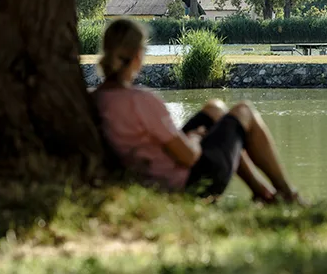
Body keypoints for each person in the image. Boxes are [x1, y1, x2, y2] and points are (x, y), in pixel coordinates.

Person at [92, 18, 303, 204]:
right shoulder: (141, 101)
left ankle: (263, 193)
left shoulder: (93, 99)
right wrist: (194, 139)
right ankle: (289, 194)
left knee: (215, 109)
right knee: (244, 110)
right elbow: (189, 157)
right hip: (187, 182)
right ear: (138, 56)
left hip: (149, 170)